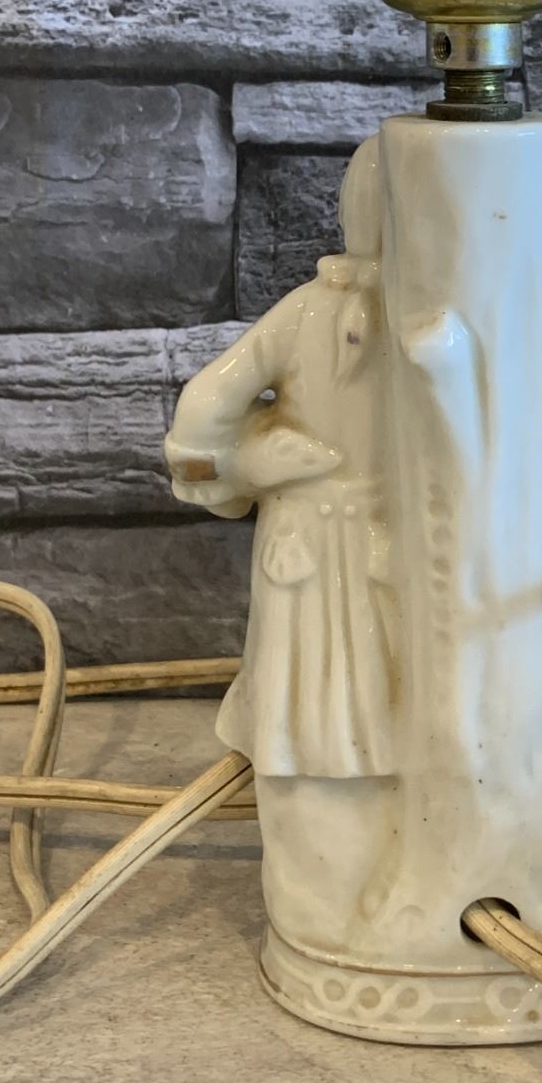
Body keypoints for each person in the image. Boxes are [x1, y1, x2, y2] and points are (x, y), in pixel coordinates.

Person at [164, 138, 398, 780]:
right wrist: (243, 465)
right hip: (312, 535)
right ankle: (314, 801)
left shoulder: (431, 316)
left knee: (383, 685)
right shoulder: (309, 311)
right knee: (307, 690)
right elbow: (202, 414)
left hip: (390, 536)